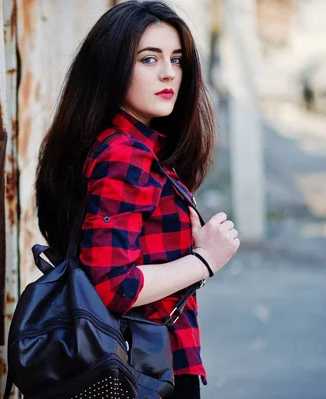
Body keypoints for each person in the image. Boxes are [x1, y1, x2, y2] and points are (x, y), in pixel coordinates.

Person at [34, 1, 240, 398]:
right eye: (149, 59)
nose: (169, 73)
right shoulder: (124, 153)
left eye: (176, 59)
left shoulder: (125, 144)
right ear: (111, 68)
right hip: (144, 368)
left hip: (142, 360)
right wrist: (205, 260)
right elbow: (114, 284)